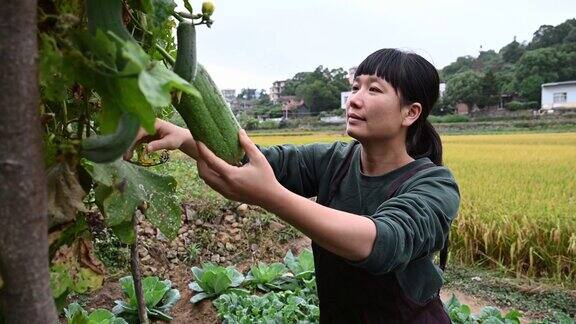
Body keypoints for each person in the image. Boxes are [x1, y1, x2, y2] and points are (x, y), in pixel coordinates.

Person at [127, 48, 460, 323]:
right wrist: (183, 137)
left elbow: (382, 243)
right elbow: (250, 162)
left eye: (373, 90)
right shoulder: (334, 160)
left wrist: (272, 196)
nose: (354, 100)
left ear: (410, 113)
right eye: (355, 87)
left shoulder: (434, 186)